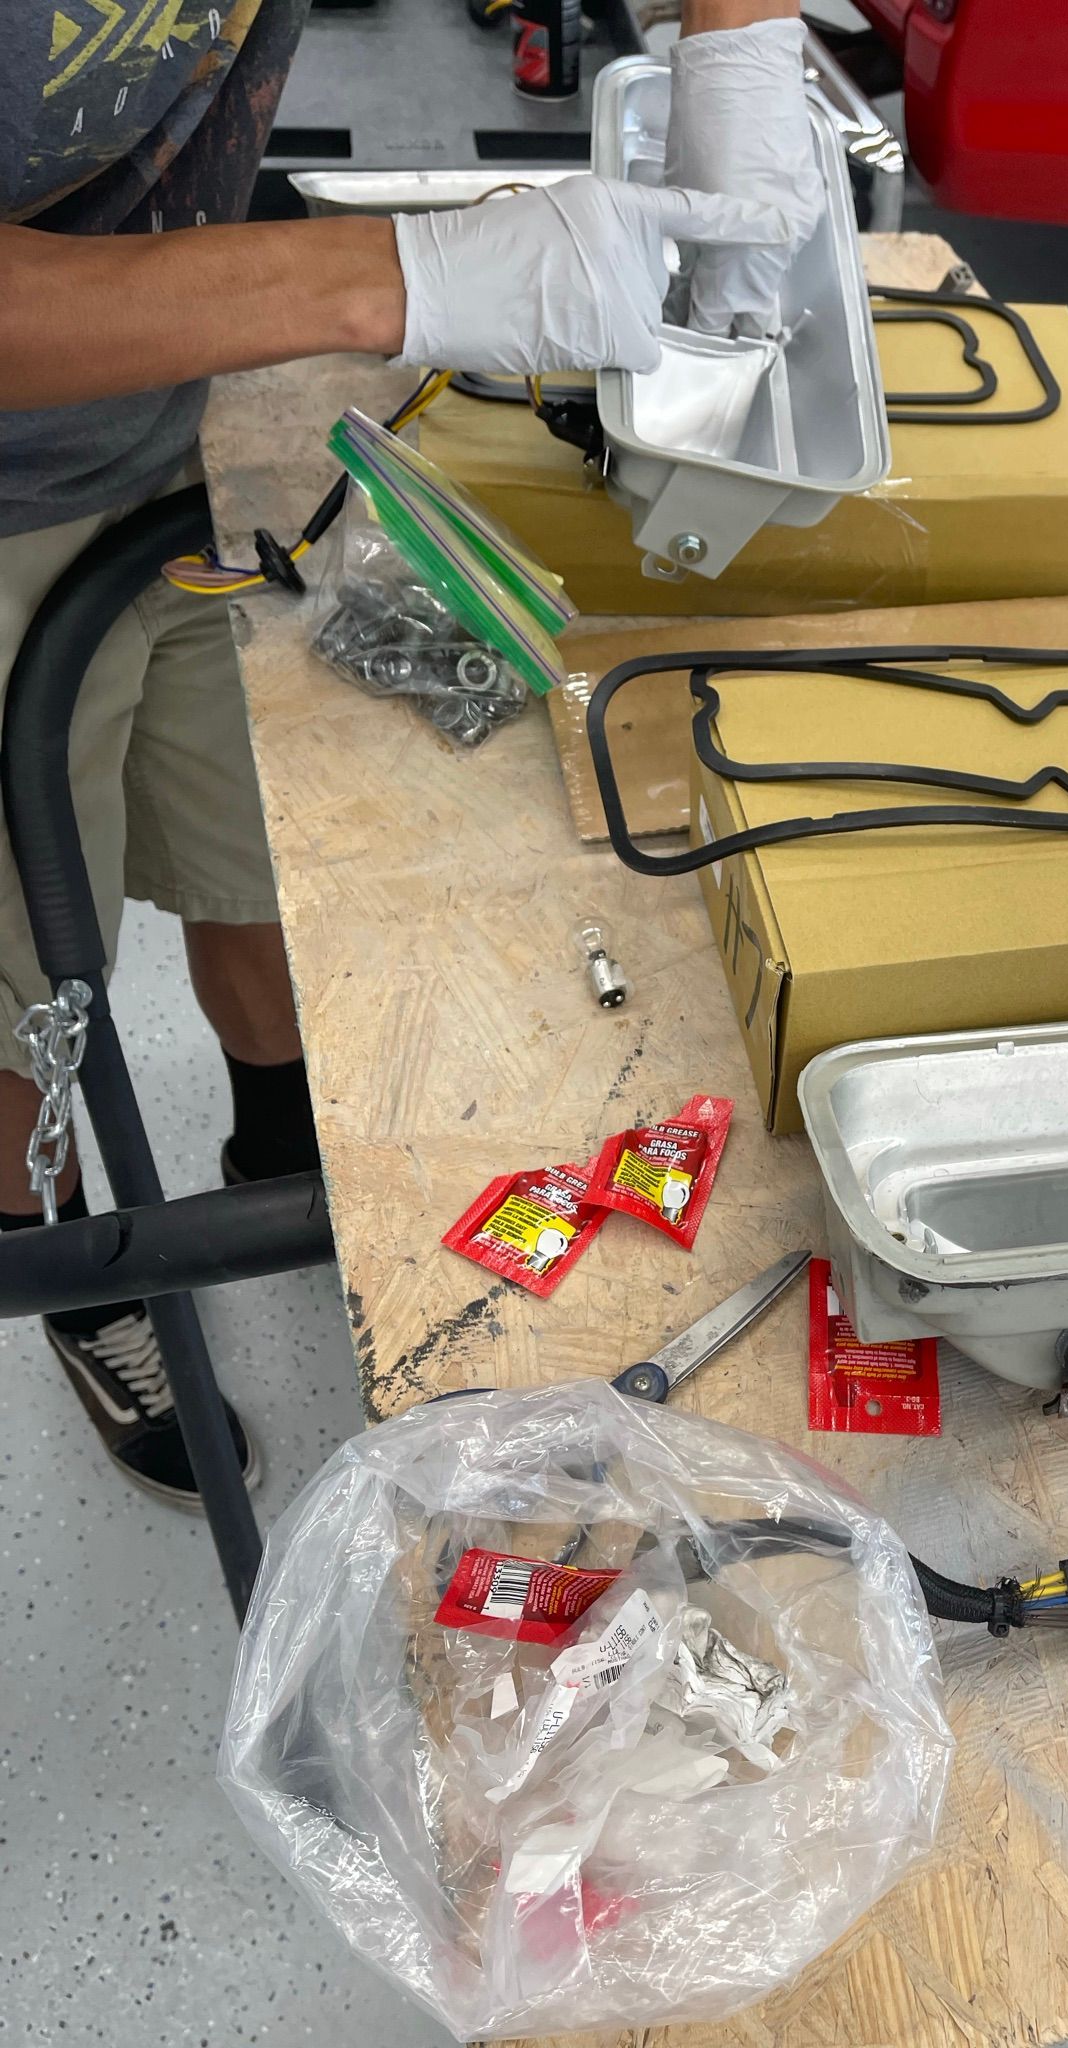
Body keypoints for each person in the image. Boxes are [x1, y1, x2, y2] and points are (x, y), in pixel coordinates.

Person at [0, 0, 818, 1507]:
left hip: (191, 397)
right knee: (16, 1017)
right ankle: (75, 1275)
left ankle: (272, 1164)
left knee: (260, 853)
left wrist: (740, 64)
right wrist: (396, 276)